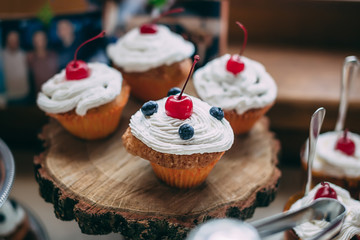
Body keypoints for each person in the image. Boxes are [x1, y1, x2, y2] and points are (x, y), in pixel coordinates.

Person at [3, 30, 30, 102]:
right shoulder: (2, 56)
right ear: (7, 40)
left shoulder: (24, 54)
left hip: (24, 95)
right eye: (11, 39)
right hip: (8, 97)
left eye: (16, 39)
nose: (14, 41)